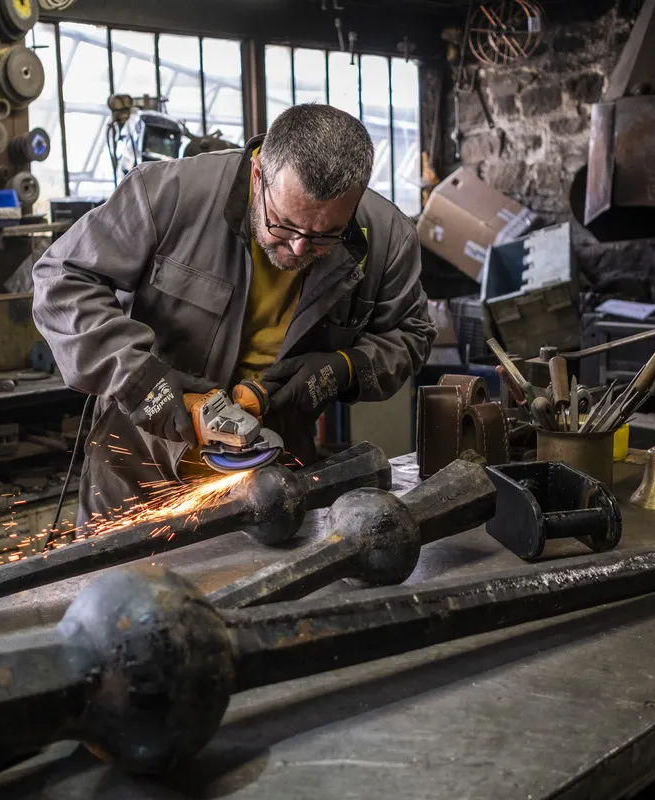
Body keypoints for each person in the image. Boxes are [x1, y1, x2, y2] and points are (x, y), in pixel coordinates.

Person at [32, 103, 435, 525]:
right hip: (139, 471)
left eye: (325, 236)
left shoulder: (388, 238)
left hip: (273, 478)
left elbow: (412, 333)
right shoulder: (169, 195)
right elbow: (61, 280)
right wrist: (142, 381)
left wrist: (344, 368)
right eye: (284, 224)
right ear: (259, 174)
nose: (299, 249)